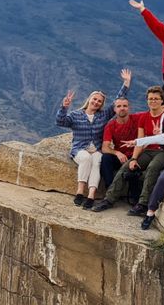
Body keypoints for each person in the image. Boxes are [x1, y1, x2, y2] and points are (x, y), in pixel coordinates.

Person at [98, 85, 164, 214]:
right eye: (150, 98)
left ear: (161, 100)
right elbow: (140, 141)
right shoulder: (143, 117)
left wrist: (158, 135)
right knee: (126, 167)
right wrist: (134, 159)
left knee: (153, 167)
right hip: (148, 150)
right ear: (147, 100)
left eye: (156, 98)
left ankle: (143, 203)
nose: (153, 101)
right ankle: (109, 199)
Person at [56, 69, 131, 207]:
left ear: (101, 105)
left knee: (97, 160)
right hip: (80, 149)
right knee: (86, 158)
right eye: (94, 99)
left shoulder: (103, 115)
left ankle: (91, 196)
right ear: (89, 99)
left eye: (99, 101)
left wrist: (126, 83)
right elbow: (60, 122)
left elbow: (117, 102)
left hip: (97, 149)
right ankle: (80, 192)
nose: (96, 102)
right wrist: (64, 107)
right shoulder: (75, 115)